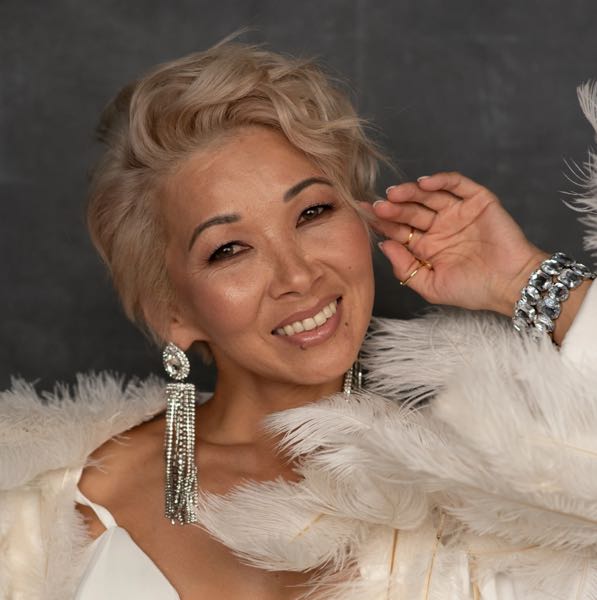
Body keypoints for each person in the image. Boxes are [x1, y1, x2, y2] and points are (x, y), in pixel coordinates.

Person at [1, 38, 596, 600]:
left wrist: (522, 279)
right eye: (228, 249)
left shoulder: (487, 479)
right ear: (172, 312)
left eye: (312, 212)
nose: (297, 275)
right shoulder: (44, 507)